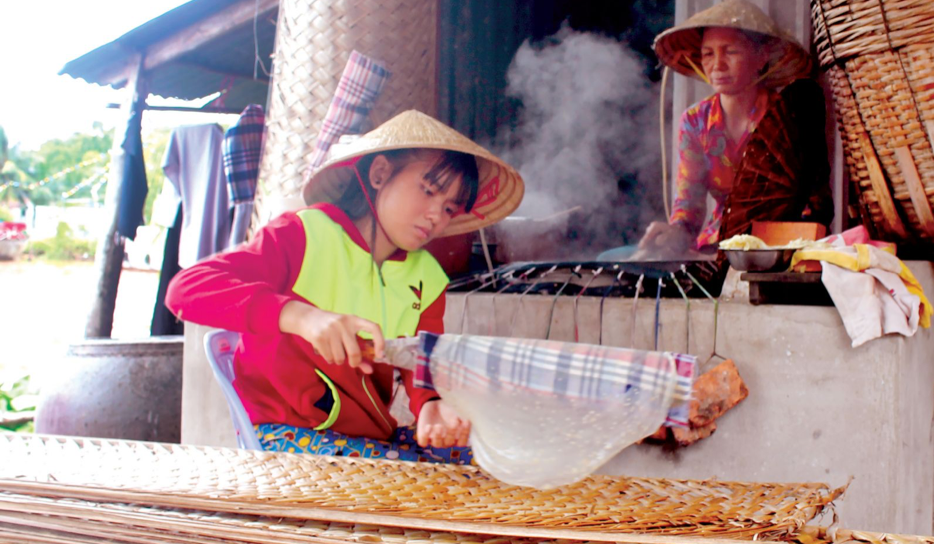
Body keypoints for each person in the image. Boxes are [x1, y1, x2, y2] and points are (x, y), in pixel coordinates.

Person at [166, 110, 524, 463]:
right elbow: (185, 288)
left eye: (449, 208)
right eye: (429, 190)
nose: (436, 215)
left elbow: (422, 363)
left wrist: (431, 405)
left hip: (368, 438)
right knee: (408, 477)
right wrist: (301, 317)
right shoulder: (303, 234)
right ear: (380, 173)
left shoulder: (427, 280)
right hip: (285, 431)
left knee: (493, 461)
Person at [601, 0, 831, 261]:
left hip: (783, 248)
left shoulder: (786, 116)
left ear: (761, 57)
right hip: (714, 248)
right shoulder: (695, 122)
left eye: (730, 52)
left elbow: (815, 202)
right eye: (708, 54)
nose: (717, 64)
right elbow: (689, 209)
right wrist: (673, 236)